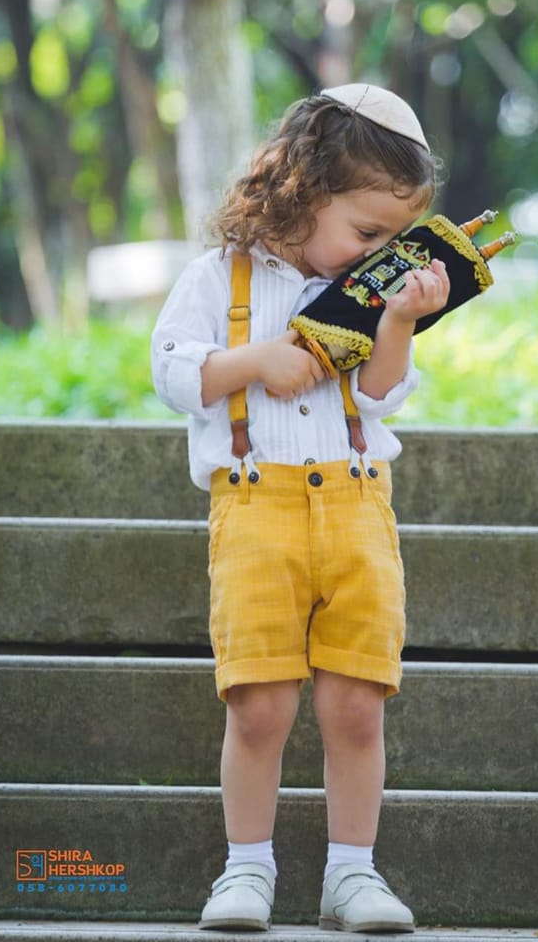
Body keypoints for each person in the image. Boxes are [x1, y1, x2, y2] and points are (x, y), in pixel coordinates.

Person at [151, 84, 449, 933]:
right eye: (367, 233)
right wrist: (253, 362)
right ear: (304, 190)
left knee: (356, 703)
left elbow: (381, 395)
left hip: (357, 511)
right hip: (256, 511)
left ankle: (353, 876)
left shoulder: (369, 290)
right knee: (259, 703)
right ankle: (246, 869)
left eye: (392, 239)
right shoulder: (220, 277)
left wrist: (400, 322)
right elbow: (171, 370)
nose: (376, 253)